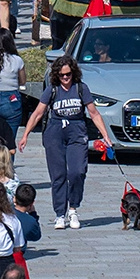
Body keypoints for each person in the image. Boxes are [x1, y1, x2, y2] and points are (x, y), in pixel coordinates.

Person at [18, 55, 113, 230]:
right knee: (58, 175)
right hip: (55, 132)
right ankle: (59, 214)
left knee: (77, 171)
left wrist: (105, 135)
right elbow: (38, 113)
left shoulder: (81, 88)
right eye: (62, 75)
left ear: (73, 73)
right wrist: (25, 135)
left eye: (68, 74)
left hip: (76, 131)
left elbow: (94, 113)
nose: (66, 78)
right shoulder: (52, 90)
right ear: (57, 76)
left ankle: (73, 208)